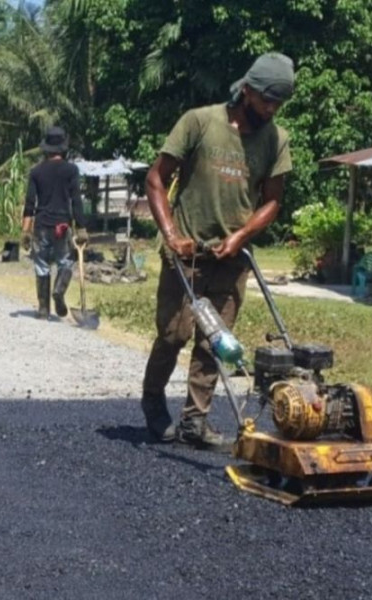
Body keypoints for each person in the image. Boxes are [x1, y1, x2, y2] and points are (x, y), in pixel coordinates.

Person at [140, 52, 294, 451]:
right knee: (173, 335)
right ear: (248, 90)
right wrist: (172, 235)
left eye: (279, 103)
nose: (272, 109)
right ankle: (153, 400)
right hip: (187, 253)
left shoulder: (276, 139)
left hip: (232, 258)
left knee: (216, 342)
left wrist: (241, 236)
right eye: (267, 100)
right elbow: (156, 179)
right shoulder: (199, 122)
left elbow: (272, 201)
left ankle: (195, 421)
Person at [21, 126, 88, 319]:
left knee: (41, 265)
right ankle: (58, 290)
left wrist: (25, 231)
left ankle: (43, 309)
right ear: (63, 148)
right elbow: (76, 201)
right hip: (62, 226)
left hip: (42, 225)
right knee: (65, 262)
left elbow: (30, 203)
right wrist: (81, 228)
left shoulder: (36, 172)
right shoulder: (71, 170)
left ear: (46, 149)